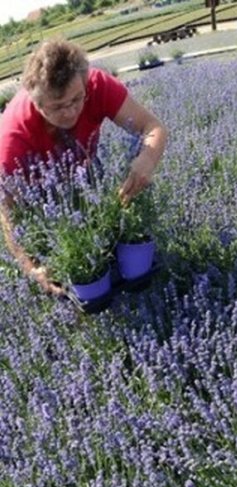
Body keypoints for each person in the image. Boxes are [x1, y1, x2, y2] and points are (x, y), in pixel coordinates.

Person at [0, 38, 167, 295]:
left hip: (84, 171)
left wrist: (146, 160)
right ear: (37, 103)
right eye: (57, 107)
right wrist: (30, 267)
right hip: (40, 199)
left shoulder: (96, 84)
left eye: (77, 99)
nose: (70, 112)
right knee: (67, 264)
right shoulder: (13, 137)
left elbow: (152, 127)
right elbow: (8, 213)